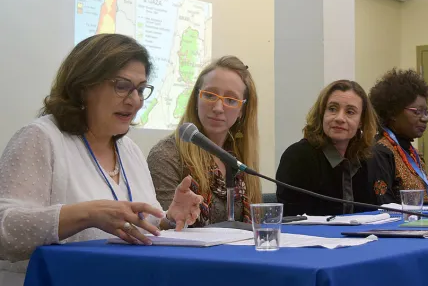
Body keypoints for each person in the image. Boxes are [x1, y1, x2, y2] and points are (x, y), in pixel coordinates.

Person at [0, 34, 202, 285]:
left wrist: (169, 219)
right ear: (83, 86)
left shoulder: (130, 150)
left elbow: (137, 228)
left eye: (140, 89)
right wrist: (87, 214)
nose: (135, 100)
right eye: (122, 86)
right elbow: (4, 231)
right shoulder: (41, 138)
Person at [147, 56, 261, 227]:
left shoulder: (238, 159)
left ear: (242, 111)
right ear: (196, 99)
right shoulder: (166, 155)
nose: (217, 108)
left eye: (230, 100)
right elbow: (164, 226)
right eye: (209, 95)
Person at [276, 80, 380, 216]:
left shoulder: (365, 158)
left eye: (350, 112)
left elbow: (371, 215)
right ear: (322, 113)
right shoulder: (297, 157)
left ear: (361, 121)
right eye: (332, 109)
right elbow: (290, 219)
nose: (340, 118)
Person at [368, 69, 428, 204]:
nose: (425, 118)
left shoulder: (411, 152)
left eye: (426, 112)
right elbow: (385, 207)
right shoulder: (379, 153)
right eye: (418, 112)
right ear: (393, 112)